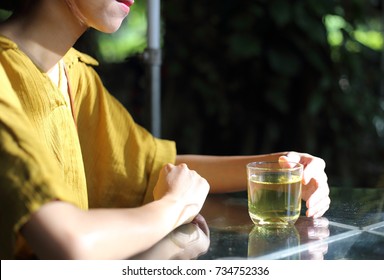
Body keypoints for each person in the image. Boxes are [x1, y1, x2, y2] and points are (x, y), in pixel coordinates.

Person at [0, 0, 330, 260]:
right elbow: (70, 245)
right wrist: (172, 209)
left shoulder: (72, 74)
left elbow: (151, 167)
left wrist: (282, 164)